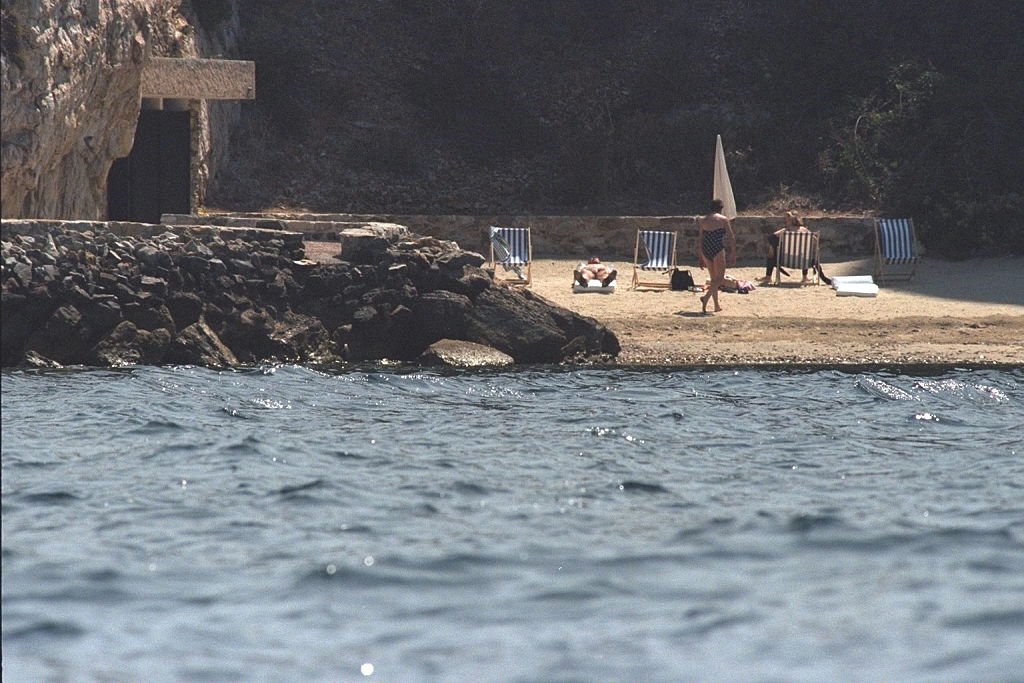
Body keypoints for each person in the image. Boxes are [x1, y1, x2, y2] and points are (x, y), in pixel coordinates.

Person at [756, 211, 831, 285]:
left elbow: (771, 237)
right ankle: (806, 277)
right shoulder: (805, 230)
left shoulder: (785, 230)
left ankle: (768, 277)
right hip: (804, 262)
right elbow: (815, 241)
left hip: (786, 260)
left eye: (787, 220)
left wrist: (772, 248)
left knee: (771, 255)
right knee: (805, 252)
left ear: (789, 221)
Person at [697, 199, 736, 313]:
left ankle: (716, 306)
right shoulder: (723, 219)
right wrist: (733, 252)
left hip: (705, 248)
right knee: (719, 279)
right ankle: (706, 298)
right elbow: (731, 237)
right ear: (721, 208)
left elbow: (700, 238)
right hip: (717, 248)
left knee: (713, 279)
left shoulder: (703, 220)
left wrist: (700, 256)